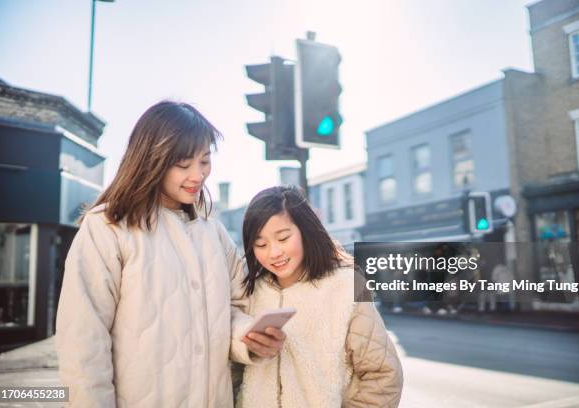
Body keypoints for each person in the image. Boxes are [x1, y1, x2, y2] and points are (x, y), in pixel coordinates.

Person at [55, 101, 285, 408]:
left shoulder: (213, 232)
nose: (198, 175)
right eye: (183, 164)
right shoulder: (107, 227)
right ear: (152, 159)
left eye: (204, 161)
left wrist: (249, 336)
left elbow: (235, 307)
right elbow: (83, 341)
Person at [236, 185, 403, 407]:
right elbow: (231, 373)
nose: (274, 252)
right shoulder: (248, 292)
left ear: (306, 231)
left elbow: (383, 375)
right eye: (261, 244)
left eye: (283, 238)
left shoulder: (347, 286)